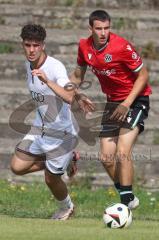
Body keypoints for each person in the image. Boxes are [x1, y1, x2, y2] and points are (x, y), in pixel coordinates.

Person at [70, 10, 152, 209]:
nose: (103, 32)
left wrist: (126, 104)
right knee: (106, 158)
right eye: (98, 28)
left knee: (123, 151)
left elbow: (143, 76)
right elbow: (78, 76)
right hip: (113, 103)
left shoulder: (121, 46)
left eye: (106, 28)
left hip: (135, 100)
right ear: (91, 29)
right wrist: (73, 92)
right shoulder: (84, 46)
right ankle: (128, 198)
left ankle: (124, 205)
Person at [10, 24, 80, 220]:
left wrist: (48, 81)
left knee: (51, 179)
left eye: (36, 45)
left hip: (61, 134)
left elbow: (69, 96)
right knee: (17, 167)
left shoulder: (55, 66)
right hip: (40, 127)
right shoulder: (28, 64)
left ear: (43, 45)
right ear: (22, 44)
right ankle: (67, 159)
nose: (32, 50)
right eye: (27, 45)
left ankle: (66, 207)